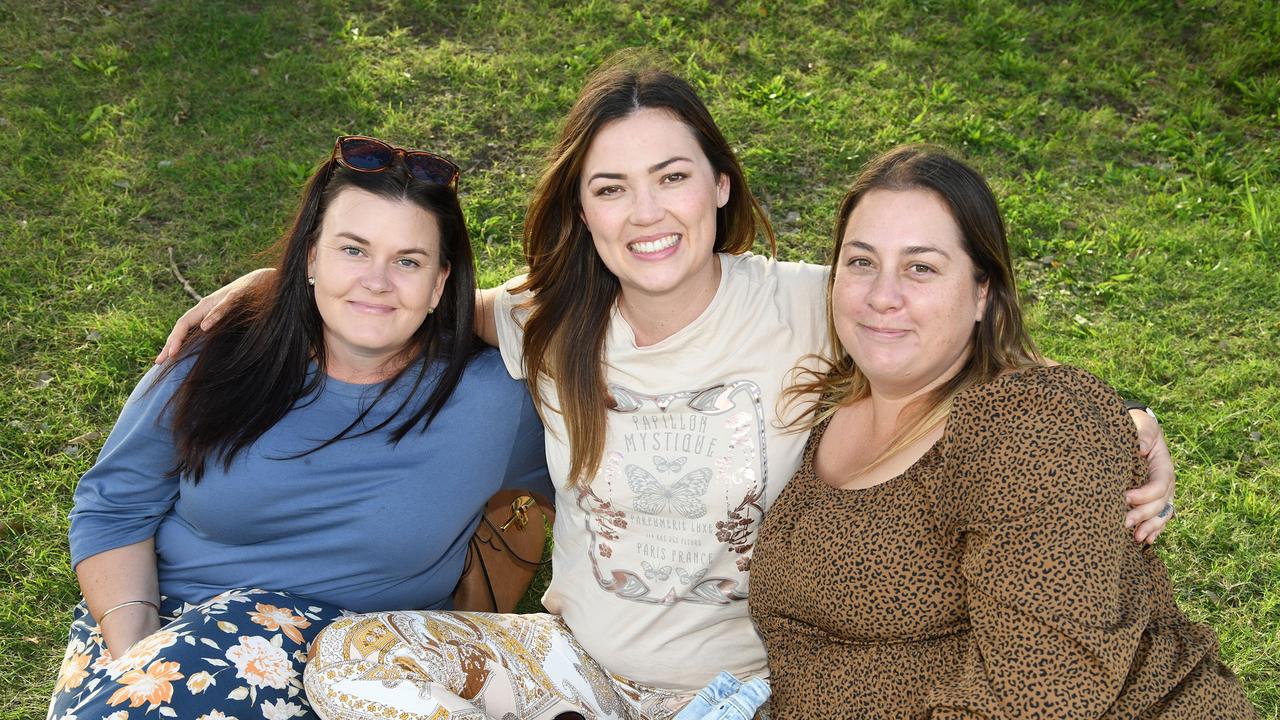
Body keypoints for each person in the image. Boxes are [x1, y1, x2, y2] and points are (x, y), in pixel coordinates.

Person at [158, 53, 1177, 719]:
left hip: (751, 693)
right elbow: (411, 294)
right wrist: (271, 278)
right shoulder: (549, 319)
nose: (646, 212)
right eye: (611, 187)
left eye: (672, 176)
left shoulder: (808, 304)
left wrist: (1126, 427)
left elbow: (949, 332)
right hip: (577, 672)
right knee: (353, 664)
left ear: (720, 186)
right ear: (585, 214)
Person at [47, 136, 551, 720]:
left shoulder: (495, 398)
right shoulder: (222, 353)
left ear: (441, 284)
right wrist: (136, 651)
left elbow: (600, 315)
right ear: (311, 258)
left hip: (371, 666)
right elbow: (114, 505)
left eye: (408, 261)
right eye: (353, 251)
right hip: (165, 624)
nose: (378, 282)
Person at [748, 145, 1255, 719]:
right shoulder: (828, 404)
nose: (882, 296)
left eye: (921, 267)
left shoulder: (1031, 424)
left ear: (982, 291)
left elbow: (1040, 695)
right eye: (862, 262)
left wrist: (1117, 419)